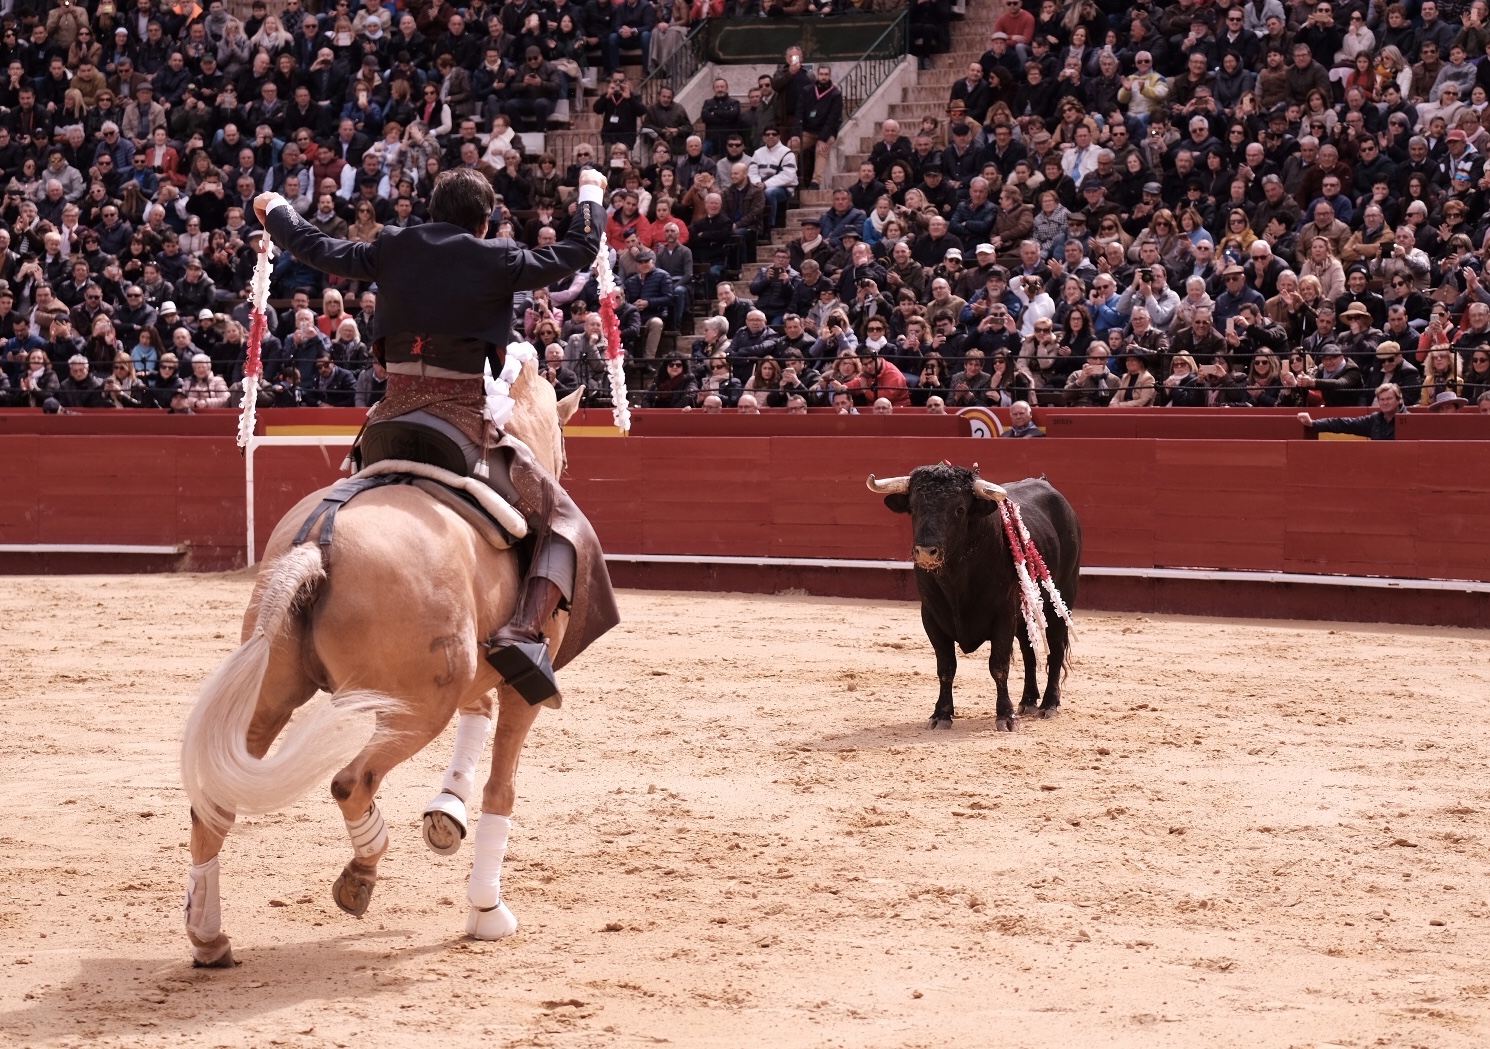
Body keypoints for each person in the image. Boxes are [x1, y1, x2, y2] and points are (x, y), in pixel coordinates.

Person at [254, 166, 618, 705]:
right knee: (563, 521)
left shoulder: (393, 246)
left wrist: (277, 209)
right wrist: (589, 192)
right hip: (460, 427)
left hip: (386, 426)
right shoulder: (496, 256)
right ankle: (522, 634)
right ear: (484, 220)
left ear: (431, 211)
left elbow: (317, 247)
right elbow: (579, 247)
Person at [1298, 383, 1407, 440]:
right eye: (1382, 400)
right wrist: (1313, 423)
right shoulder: (1375, 420)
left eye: (1389, 399)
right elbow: (1344, 423)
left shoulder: (1409, 420)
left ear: (1399, 400)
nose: (1385, 402)